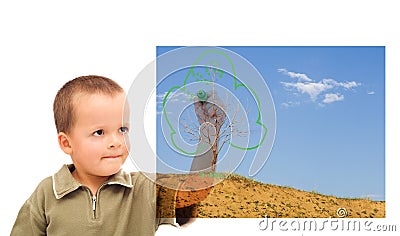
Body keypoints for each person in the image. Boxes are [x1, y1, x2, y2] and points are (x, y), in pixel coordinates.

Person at [11, 75, 212, 235]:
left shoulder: (144, 187)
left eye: (123, 129)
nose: (117, 141)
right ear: (66, 143)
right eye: (99, 132)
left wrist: (209, 137)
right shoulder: (47, 193)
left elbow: (193, 195)